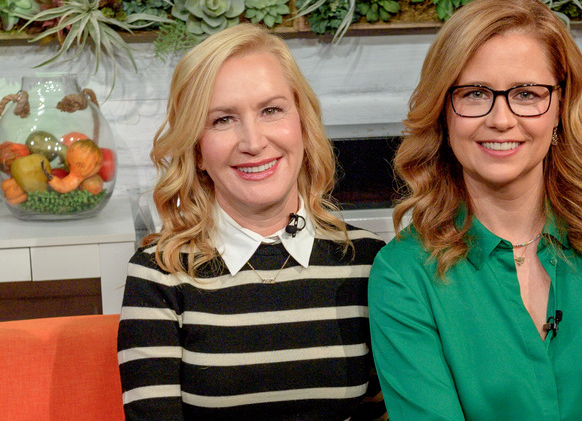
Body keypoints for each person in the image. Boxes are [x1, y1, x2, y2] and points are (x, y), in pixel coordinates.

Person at [367, 0, 582, 421]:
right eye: (475, 93)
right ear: (444, 110)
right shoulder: (404, 273)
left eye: (527, 93)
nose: (501, 119)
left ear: (559, 105)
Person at [117, 23, 386, 420]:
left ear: (302, 124)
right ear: (197, 150)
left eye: (271, 110)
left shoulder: (367, 261)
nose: (254, 141)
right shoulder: (159, 276)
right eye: (223, 119)